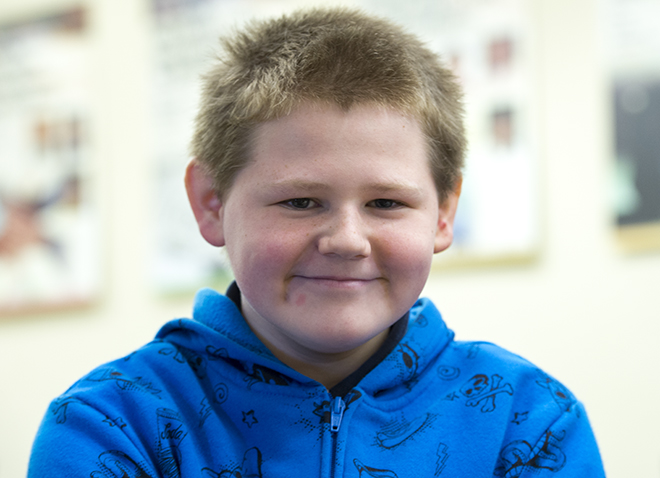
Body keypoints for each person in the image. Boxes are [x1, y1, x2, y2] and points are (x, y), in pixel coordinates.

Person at [28, 7, 605, 477]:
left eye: (386, 203)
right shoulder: (111, 424)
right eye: (301, 202)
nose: (347, 240)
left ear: (443, 213)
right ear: (211, 203)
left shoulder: (527, 421)